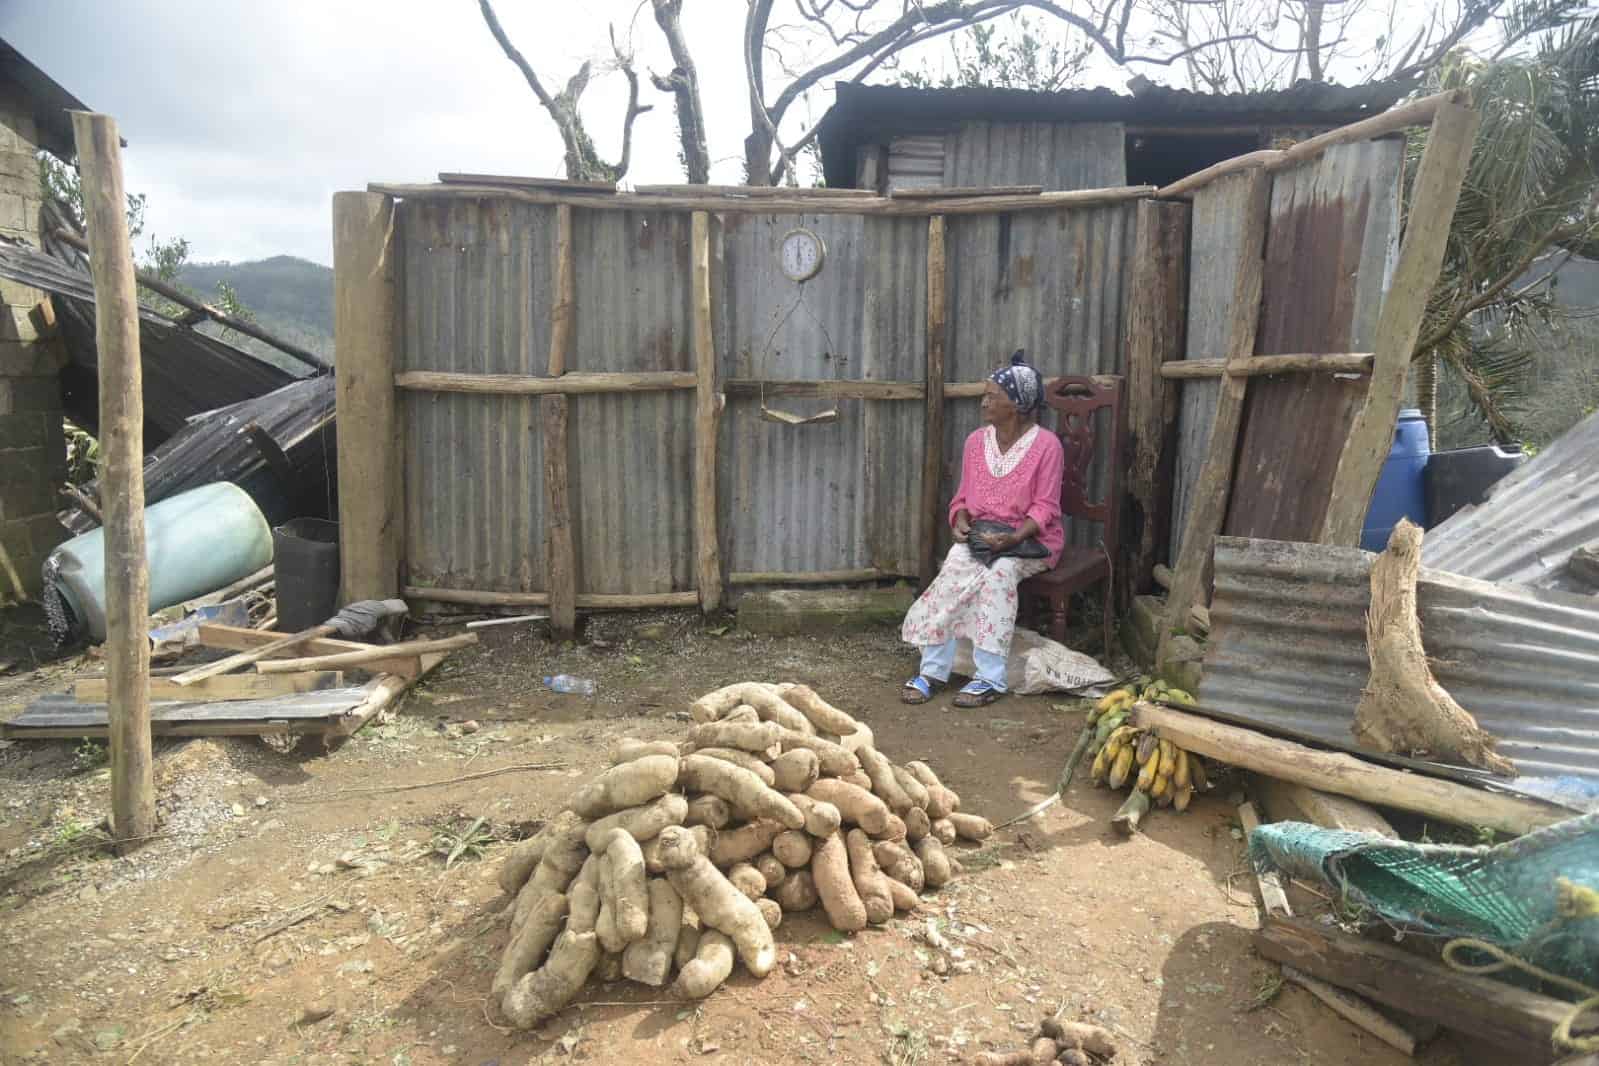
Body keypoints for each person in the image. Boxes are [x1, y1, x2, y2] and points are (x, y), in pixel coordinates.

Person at [901, 351, 1064, 707]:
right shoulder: (976, 441)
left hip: (1030, 540)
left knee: (998, 577)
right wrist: (960, 522)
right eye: (985, 395)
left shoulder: (1047, 446)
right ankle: (932, 671)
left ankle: (990, 678)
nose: (984, 401)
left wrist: (1014, 538)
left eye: (993, 396)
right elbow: (961, 498)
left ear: (1017, 405)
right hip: (982, 536)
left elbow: (1046, 507)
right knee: (954, 568)